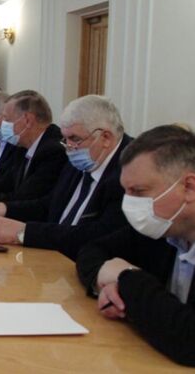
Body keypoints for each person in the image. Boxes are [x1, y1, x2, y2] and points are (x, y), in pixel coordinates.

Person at [76, 125, 195, 366]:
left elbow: (189, 340)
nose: (129, 203)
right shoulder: (162, 228)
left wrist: (126, 278)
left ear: (189, 187)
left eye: (138, 192)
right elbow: (91, 250)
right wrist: (110, 285)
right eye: (126, 192)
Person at [0, 95, 132, 260]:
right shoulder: (85, 155)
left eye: (74, 138)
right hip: (53, 257)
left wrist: (23, 232)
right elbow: (50, 204)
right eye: (65, 139)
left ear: (106, 138)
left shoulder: (129, 173)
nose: (68, 147)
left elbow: (98, 235)